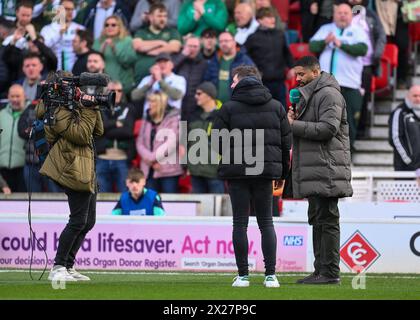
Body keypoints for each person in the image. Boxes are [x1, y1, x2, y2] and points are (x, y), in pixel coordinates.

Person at [212, 65, 292, 288]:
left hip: (237, 173)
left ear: (242, 80)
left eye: (234, 80)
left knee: (240, 223)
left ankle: (243, 276)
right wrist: (282, 173)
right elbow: (287, 144)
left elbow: (216, 141)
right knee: (266, 222)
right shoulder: (276, 106)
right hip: (266, 172)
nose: (231, 84)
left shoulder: (228, 108)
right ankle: (271, 276)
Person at [285, 55, 353, 285]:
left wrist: (295, 125)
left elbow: (328, 129)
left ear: (316, 72)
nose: (298, 79)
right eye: (296, 74)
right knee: (318, 219)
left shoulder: (328, 94)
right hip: (317, 168)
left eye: (301, 74)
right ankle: (320, 270)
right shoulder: (312, 94)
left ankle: (330, 272)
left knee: (327, 219)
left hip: (327, 167)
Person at [37, 71, 104, 282]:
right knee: (77, 220)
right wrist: (88, 109)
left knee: (88, 221)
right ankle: (58, 266)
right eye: (72, 86)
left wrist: (91, 104)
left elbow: (98, 131)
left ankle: (68, 265)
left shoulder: (73, 107)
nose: (76, 90)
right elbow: (82, 135)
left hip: (84, 166)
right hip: (71, 167)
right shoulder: (56, 109)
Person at [309, 2, 368, 148]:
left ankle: (348, 151)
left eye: (345, 13)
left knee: (349, 120)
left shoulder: (358, 30)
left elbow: (362, 49)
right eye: (339, 13)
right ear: (334, 15)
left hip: (349, 83)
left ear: (351, 15)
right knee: (325, 118)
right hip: (326, 84)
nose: (342, 16)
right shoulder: (325, 29)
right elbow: (312, 46)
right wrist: (325, 41)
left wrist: (340, 44)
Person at [349, 0, 386, 139]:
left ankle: (361, 129)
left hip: (365, 65)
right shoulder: (342, 12)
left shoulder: (370, 14)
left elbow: (381, 35)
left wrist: (376, 55)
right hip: (347, 66)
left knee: (363, 98)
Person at [244, 7, 294, 108]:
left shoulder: (280, 35)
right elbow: (245, 58)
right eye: (268, 17)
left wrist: (292, 67)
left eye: (273, 17)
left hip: (279, 82)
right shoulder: (252, 38)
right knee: (262, 112)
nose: (273, 20)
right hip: (261, 83)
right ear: (259, 20)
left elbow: (287, 53)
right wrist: (254, 73)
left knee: (281, 112)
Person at [136, 92, 183, 193]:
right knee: (151, 203)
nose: (149, 104)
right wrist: (150, 159)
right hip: (148, 169)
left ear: (160, 104)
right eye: (149, 101)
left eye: (152, 101)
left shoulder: (173, 118)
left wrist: (153, 158)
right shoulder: (146, 118)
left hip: (168, 171)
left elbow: (171, 143)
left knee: (170, 204)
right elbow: (140, 142)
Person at [96, 81, 136, 192]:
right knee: (101, 199)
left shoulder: (128, 108)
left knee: (124, 197)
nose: (117, 93)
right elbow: (98, 129)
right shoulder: (99, 108)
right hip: (102, 158)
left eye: (119, 90)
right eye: (113, 90)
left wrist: (106, 129)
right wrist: (115, 124)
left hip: (122, 158)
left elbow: (128, 132)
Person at [187, 81, 224, 194]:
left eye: (199, 93)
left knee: (217, 209)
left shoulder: (222, 116)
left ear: (209, 95)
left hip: (214, 172)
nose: (195, 96)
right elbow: (187, 142)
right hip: (196, 171)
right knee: (198, 209)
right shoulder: (193, 115)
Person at [132, 3, 182, 84]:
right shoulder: (141, 32)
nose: (163, 19)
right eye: (159, 16)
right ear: (151, 17)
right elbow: (138, 46)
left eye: (165, 16)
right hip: (141, 77)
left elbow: (174, 47)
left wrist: (151, 50)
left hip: (164, 80)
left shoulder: (172, 32)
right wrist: (161, 42)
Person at [204, 31, 254, 103]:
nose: (223, 43)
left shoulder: (244, 60)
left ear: (234, 42)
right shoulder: (214, 61)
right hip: (216, 107)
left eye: (226, 41)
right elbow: (206, 82)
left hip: (237, 106)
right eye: (221, 41)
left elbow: (253, 83)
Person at [92, 15, 137, 95]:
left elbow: (129, 62)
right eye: (107, 25)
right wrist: (100, 52)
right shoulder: (98, 42)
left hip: (122, 86)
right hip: (102, 86)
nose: (109, 27)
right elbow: (92, 64)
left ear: (120, 27)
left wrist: (114, 49)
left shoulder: (127, 41)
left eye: (113, 25)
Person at [131, 52, 187, 117]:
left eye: (165, 62)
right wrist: (150, 83)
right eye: (159, 62)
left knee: (183, 125)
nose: (162, 65)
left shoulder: (179, 79)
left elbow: (177, 95)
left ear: (172, 65)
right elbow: (134, 96)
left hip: (170, 118)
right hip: (149, 118)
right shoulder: (147, 79)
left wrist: (160, 80)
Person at [40, 0, 86, 72]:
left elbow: (85, 52)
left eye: (72, 9)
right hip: (53, 72)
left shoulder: (80, 29)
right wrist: (59, 34)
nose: (70, 12)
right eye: (66, 9)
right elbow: (43, 48)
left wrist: (79, 41)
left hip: (76, 73)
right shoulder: (47, 29)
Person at [172, 35, 208, 121]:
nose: (192, 49)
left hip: (194, 107)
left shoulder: (204, 64)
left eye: (195, 46)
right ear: (184, 47)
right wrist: (182, 56)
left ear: (199, 48)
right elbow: (169, 70)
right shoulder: (177, 59)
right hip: (177, 105)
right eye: (189, 46)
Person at [0, 84, 27, 192]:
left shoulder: (30, 113)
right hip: (3, 169)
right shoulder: (1, 114)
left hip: (23, 170)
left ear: (24, 96)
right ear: (8, 97)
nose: (15, 99)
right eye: (12, 96)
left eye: (18, 96)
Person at [388, 85, 420, 172]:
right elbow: (395, 138)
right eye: (415, 96)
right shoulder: (400, 112)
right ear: (408, 97)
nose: (418, 99)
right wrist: (409, 161)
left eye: (419, 96)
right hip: (405, 168)